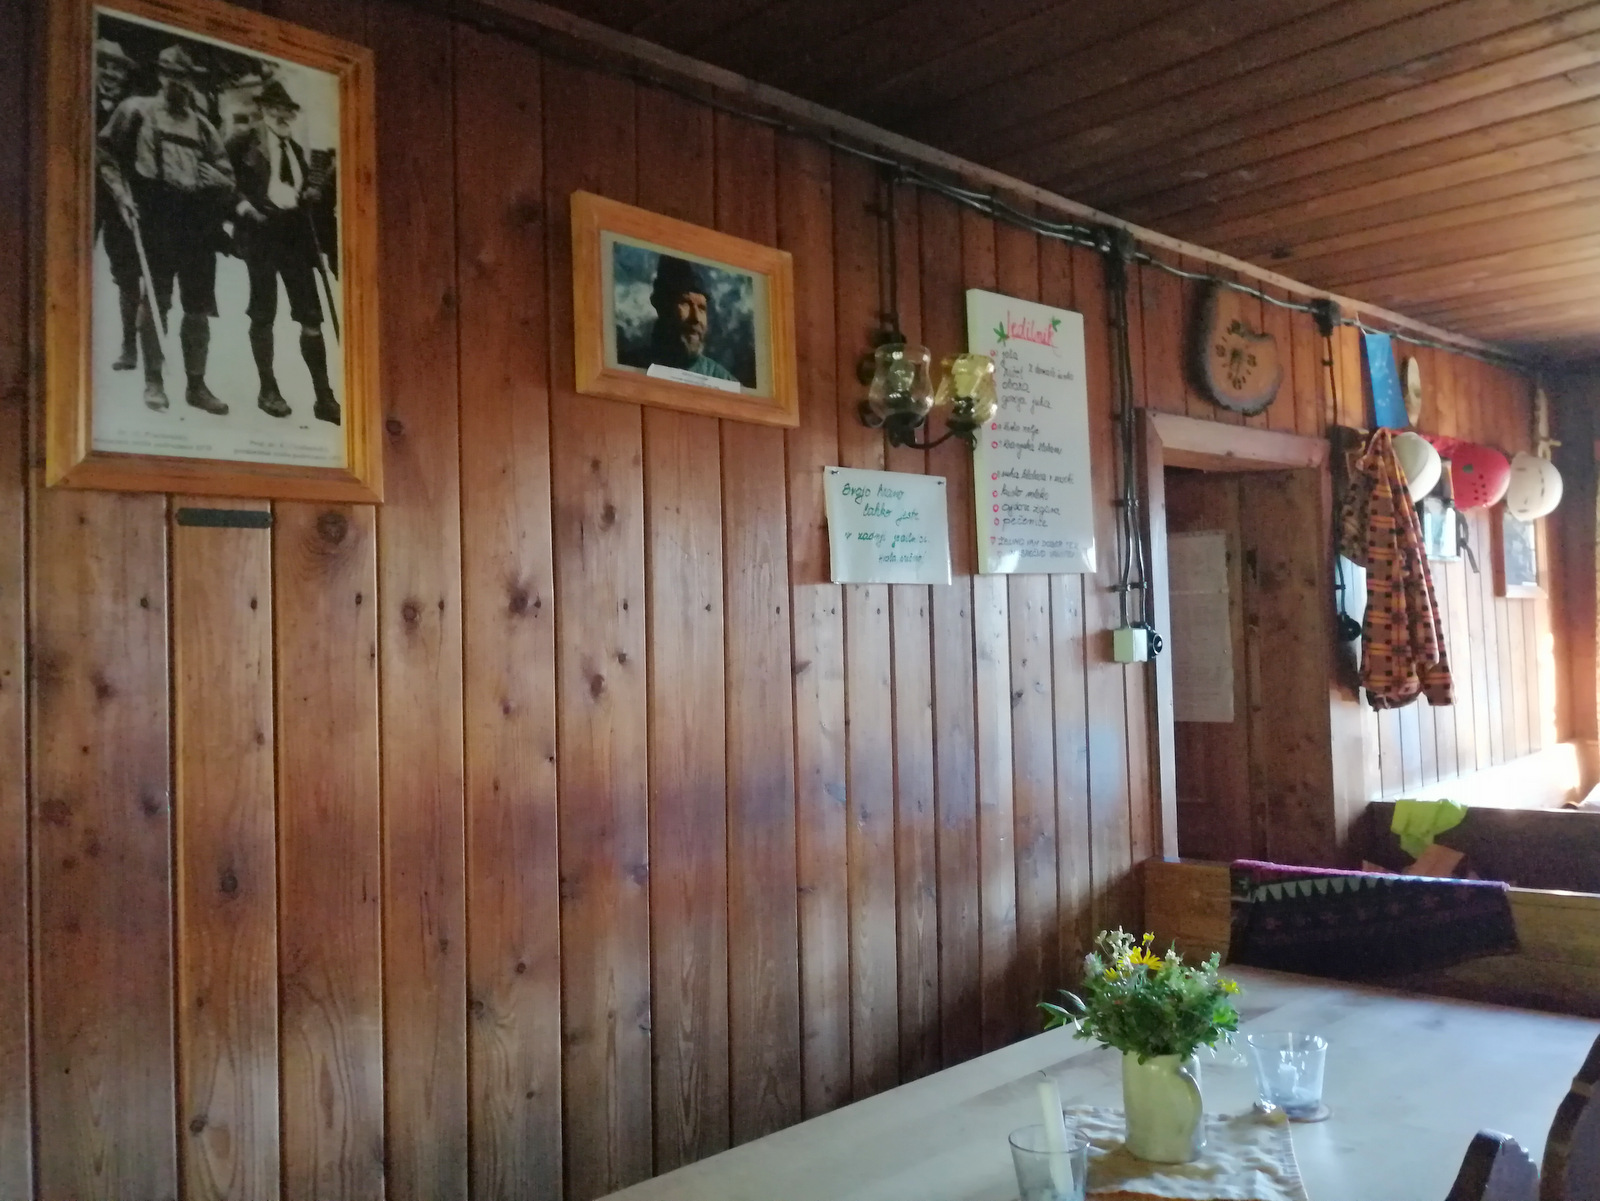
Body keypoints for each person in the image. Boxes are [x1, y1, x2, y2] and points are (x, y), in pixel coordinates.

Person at [98, 43, 234, 415]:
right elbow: (105, 154)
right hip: (156, 215)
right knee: (156, 300)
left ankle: (197, 386)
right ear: (160, 76)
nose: (178, 83)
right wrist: (121, 195)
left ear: (192, 82)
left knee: (198, 306)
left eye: (185, 78)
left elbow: (227, 174)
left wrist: (218, 180)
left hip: (196, 220)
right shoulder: (135, 110)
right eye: (172, 75)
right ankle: (154, 381)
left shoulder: (203, 126)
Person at [226, 78, 340, 424]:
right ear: (263, 109)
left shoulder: (296, 150)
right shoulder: (243, 141)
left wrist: (312, 196)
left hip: (294, 234)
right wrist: (245, 208)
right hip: (260, 231)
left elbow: (307, 191)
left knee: (311, 315)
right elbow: (224, 179)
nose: (283, 115)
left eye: (288, 110)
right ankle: (268, 390)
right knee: (263, 312)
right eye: (276, 108)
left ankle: (324, 397)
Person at [93, 38, 142, 372]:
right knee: (72, 265)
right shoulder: (74, 96)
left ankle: (130, 346)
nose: (111, 73)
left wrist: (127, 194)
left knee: (127, 272)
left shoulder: (131, 109)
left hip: (120, 197)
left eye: (118, 69)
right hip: (80, 197)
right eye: (104, 65)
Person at [623, 255, 736, 381]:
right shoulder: (628, 367)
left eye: (701, 308)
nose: (696, 318)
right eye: (685, 303)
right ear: (662, 305)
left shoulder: (724, 381)